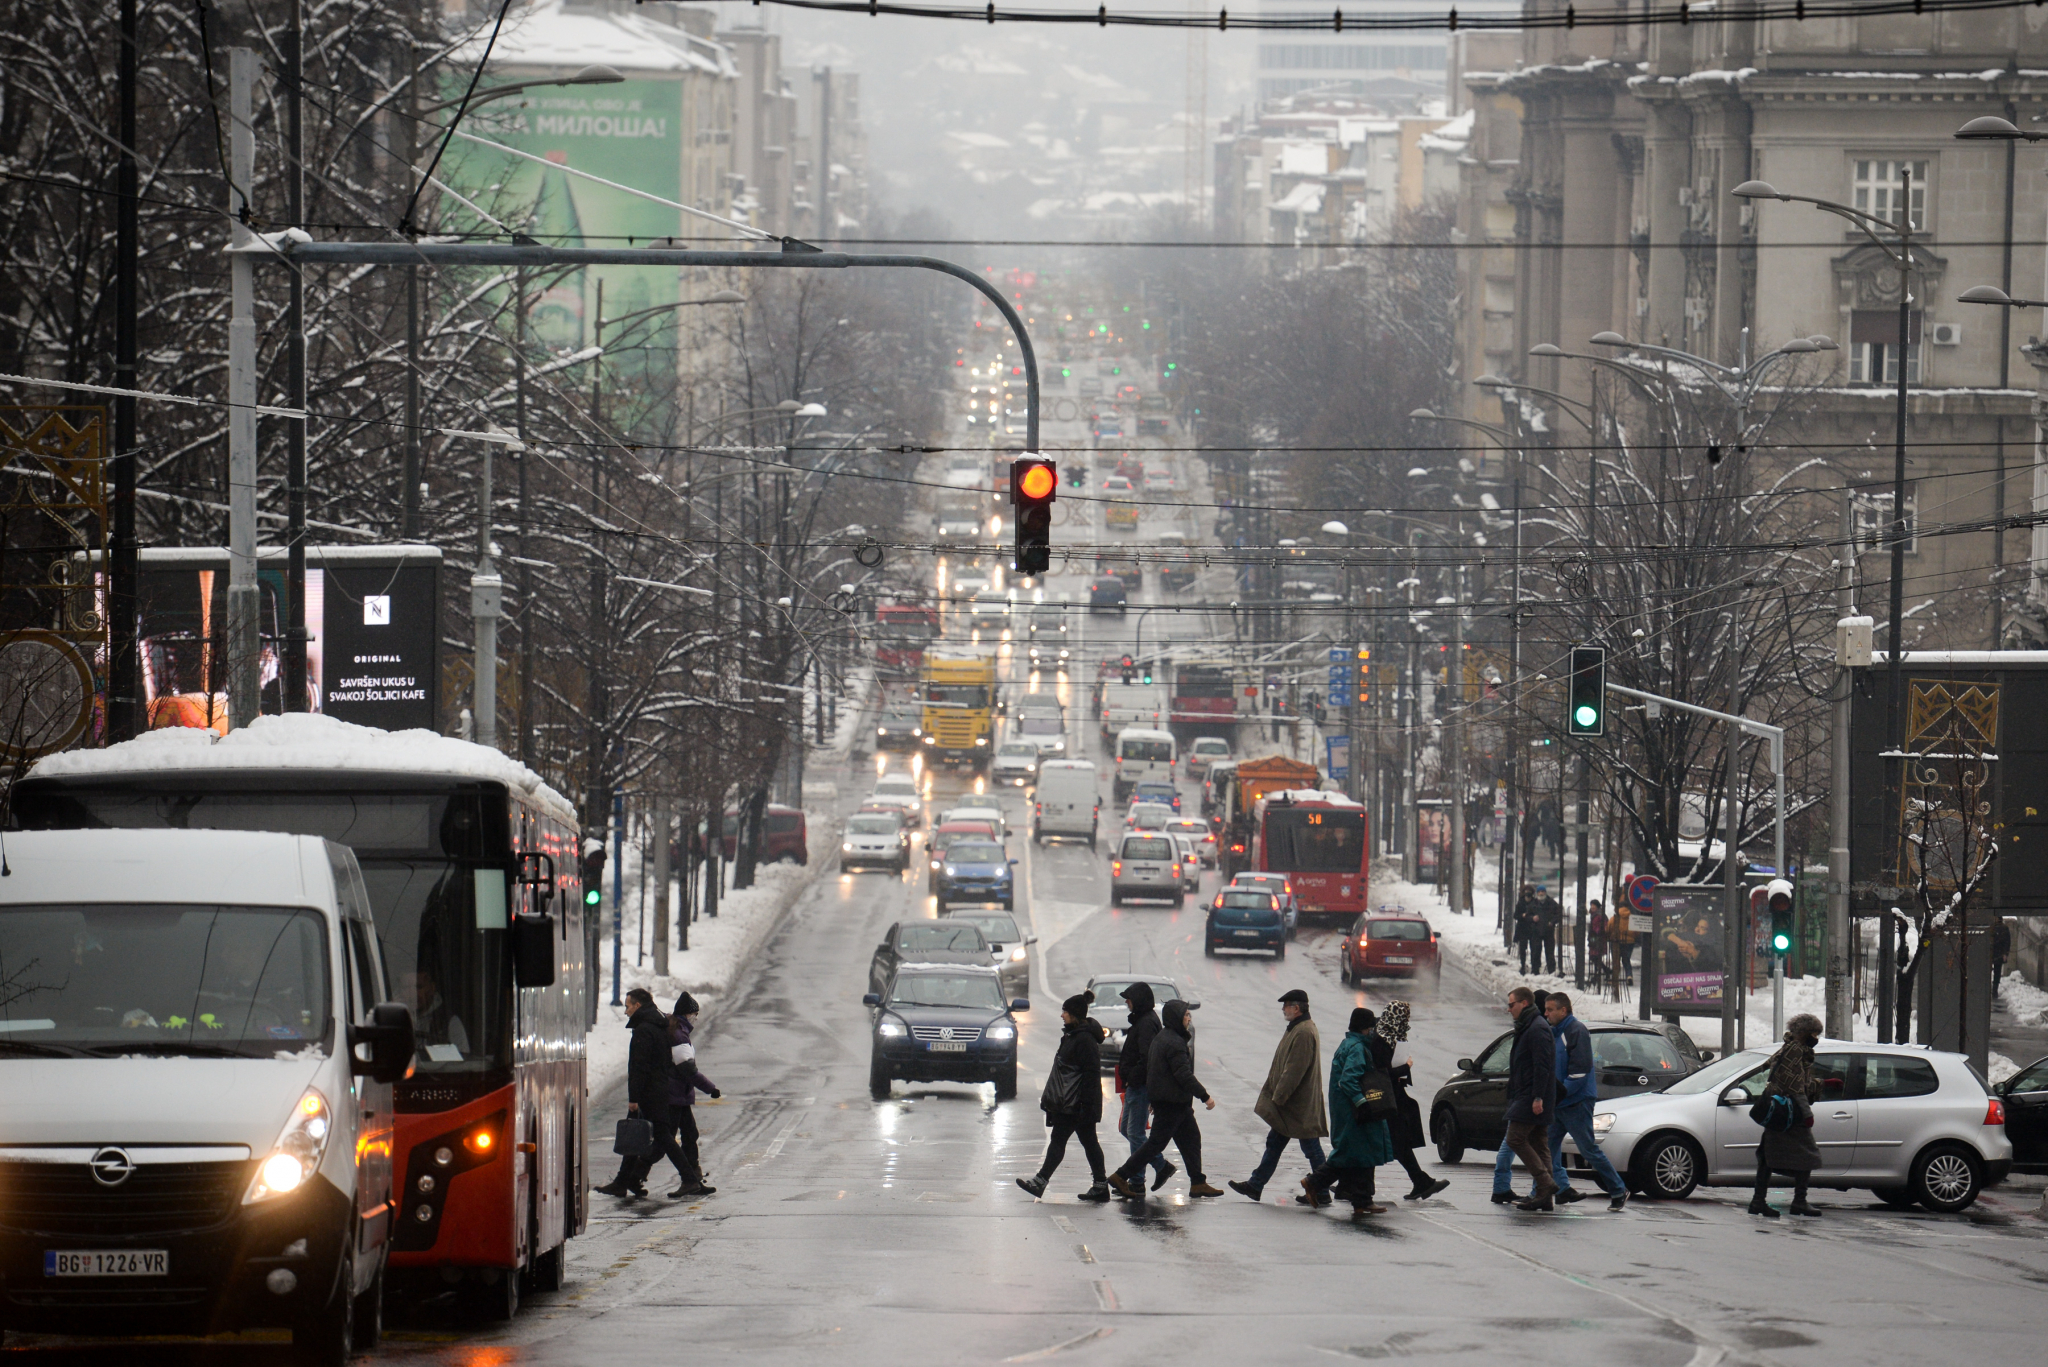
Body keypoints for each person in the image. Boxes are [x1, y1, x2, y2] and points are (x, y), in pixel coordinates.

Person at [1106, 1000, 1222, 1199]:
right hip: (1172, 1103)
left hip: (1175, 1103)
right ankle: (1120, 1175)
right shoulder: (1174, 1042)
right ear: (1177, 1017)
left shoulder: (1163, 1038)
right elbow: (1183, 1075)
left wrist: (1153, 1098)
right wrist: (1205, 1096)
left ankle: (1198, 1183)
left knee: (1191, 1140)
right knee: (1154, 1145)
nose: (1189, 1018)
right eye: (1186, 1015)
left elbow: (1154, 1072)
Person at [1228, 989, 1328, 1201]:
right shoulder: (1298, 1028)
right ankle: (1256, 1185)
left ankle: (1322, 1190)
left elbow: (1294, 1069)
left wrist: (1279, 1097)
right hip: (1294, 1104)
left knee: (1311, 1148)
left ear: (1297, 1008)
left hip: (1297, 1105)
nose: (1283, 1009)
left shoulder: (1302, 1032)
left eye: (1286, 1005)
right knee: (1276, 1143)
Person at [597, 988, 694, 1198]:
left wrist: (634, 1098)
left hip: (649, 1093)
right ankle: (622, 1181)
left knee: (662, 1137)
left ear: (637, 1006)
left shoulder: (643, 1030)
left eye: (627, 1006)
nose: (625, 1011)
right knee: (636, 1134)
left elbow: (638, 1067)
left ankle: (689, 1179)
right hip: (658, 1090)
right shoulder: (658, 1024)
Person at [1299, 1007, 1395, 1214]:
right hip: (1354, 1112)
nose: (1374, 1031)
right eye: (1372, 1027)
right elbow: (1348, 1080)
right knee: (1351, 1154)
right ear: (1365, 1029)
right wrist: (1363, 1103)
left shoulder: (1349, 1044)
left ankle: (1362, 1201)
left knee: (1360, 1154)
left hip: (1347, 1110)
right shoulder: (1357, 1048)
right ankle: (1314, 1182)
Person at [1019, 992, 1111, 1202]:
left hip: (1075, 1103)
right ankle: (1100, 1186)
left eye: (1065, 1012)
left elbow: (1091, 1074)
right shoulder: (1075, 1035)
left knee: (1060, 1140)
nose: (1062, 1015)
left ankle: (1041, 1181)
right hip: (1073, 1101)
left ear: (1075, 1015)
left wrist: (1086, 1105)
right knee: (1089, 1142)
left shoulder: (1084, 1039)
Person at [1541, 992, 1627, 1212]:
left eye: (1550, 1009)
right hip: (1560, 1102)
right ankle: (1552, 1191)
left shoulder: (1576, 1031)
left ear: (1564, 1010)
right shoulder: (1554, 1032)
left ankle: (1618, 1190)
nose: (1546, 1013)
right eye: (1546, 1009)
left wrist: (1560, 1093)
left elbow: (1580, 1071)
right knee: (1547, 1150)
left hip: (1577, 1102)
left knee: (1588, 1149)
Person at [1749, 1013, 1825, 1218]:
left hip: (1778, 1112)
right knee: (1807, 1156)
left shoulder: (1789, 1047)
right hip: (1790, 1114)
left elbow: (1779, 1072)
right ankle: (1799, 1201)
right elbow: (1795, 1087)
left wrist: (1822, 1084)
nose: (1816, 1039)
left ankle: (1758, 1201)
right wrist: (1807, 1114)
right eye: (1814, 1034)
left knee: (1767, 1156)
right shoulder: (1796, 1051)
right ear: (1804, 1033)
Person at [1373, 1001, 1450, 1201]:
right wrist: (1404, 1067)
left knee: (1394, 1142)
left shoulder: (1393, 1037)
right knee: (1388, 1141)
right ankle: (1345, 1183)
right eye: (1404, 1017)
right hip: (1384, 1100)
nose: (1406, 1022)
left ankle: (1420, 1181)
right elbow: (1382, 1074)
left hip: (1393, 1098)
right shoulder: (1381, 1040)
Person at [1502, 985, 1559, 1211]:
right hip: (1530, 1093)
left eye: (1511, 1004)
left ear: (1524, 1003)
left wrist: (1537, 1097)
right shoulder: (1529, 1025)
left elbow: (1542, 1066)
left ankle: (1546, 1184)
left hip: (1532, 1095)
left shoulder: (1536, 1028)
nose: (1509, 1009)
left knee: (1515, 1138)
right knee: (1539, 1143)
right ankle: (1545, 1198)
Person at [1114, 981, 1175, 1191]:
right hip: (1136, 1086)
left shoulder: (1147, 1023)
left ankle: (1140, 1179)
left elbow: (1147, 1057)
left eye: (1128, 999)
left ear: (1137, 1000)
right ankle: (1153, 1169)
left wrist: (1132, 1077)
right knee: (1128, 1130)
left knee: (1135, 1133)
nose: (1126, 1002)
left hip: (1140, 1087)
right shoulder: (1142, 1020)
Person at [664, 991, 718, 1198]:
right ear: (687, 1015)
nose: (696, 1018)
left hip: (679, 1094)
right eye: (694, 1014)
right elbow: (687, 1068)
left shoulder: (679, 1030)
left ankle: (693, 1179)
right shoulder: (678, 1034)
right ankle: (632, 1176)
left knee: (689, 1134)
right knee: (666, 1141)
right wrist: (710, 1088)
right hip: (674, 1095)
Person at [1513, 886, 1543, 974]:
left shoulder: (1535, 902)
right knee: (1522, 949)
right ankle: (1523, 965)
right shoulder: (1520, 902)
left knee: (1534, 948)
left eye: (1529, 892)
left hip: (1533, 929)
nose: (1528, 894)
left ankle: (1534, 967)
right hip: (1522, 929)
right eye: (1526, 891)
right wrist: (1522, 915)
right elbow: (1515, 915)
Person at [1536, 886, 1563, 975]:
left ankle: (1551, 970)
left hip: (1548, 931)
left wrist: (1552, 922)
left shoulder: (1551, 903)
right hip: (1537, 931)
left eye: (1543, 891)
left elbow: (1559, 914)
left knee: (1550, 952)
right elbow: (1529, 913)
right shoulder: (1535, 903)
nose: (1541, 893)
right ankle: (1535, 969)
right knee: (1536, 951)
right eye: (1539, 892)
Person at [1585, 900, 1609, 987]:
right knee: (1594, 957)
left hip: (1599, 939)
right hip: (1593, 939)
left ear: (1598, 906)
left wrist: (1598, 931)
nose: (1592, 907)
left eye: (1594, 905)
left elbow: (1604, 926)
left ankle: (1596, 976)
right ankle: (1606, 971)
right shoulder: (1593, 915)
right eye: (1591, 905)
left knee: (1596, 957)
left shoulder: (1600, 915)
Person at [1610, 903, 1635, 984]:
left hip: (1617, 941)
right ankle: (1629, 975)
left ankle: (1615, 977)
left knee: (1616, 960)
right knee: (1626, 959)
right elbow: (1636, 931)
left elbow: (1609, 927)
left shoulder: (1615, 918)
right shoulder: (1632, 918)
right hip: (1629, 942)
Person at [1993, 917, 2012, 997]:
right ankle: (1994, 990)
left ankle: (1994, 990)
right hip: (1999, 953)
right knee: (1997, 972)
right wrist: (2005, 953)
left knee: (1996, 972)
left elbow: (2007, 942)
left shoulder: (1993, 927)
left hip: (1995, 952)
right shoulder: (2004, 928)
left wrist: (2005, 953)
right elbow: (2007, 942)